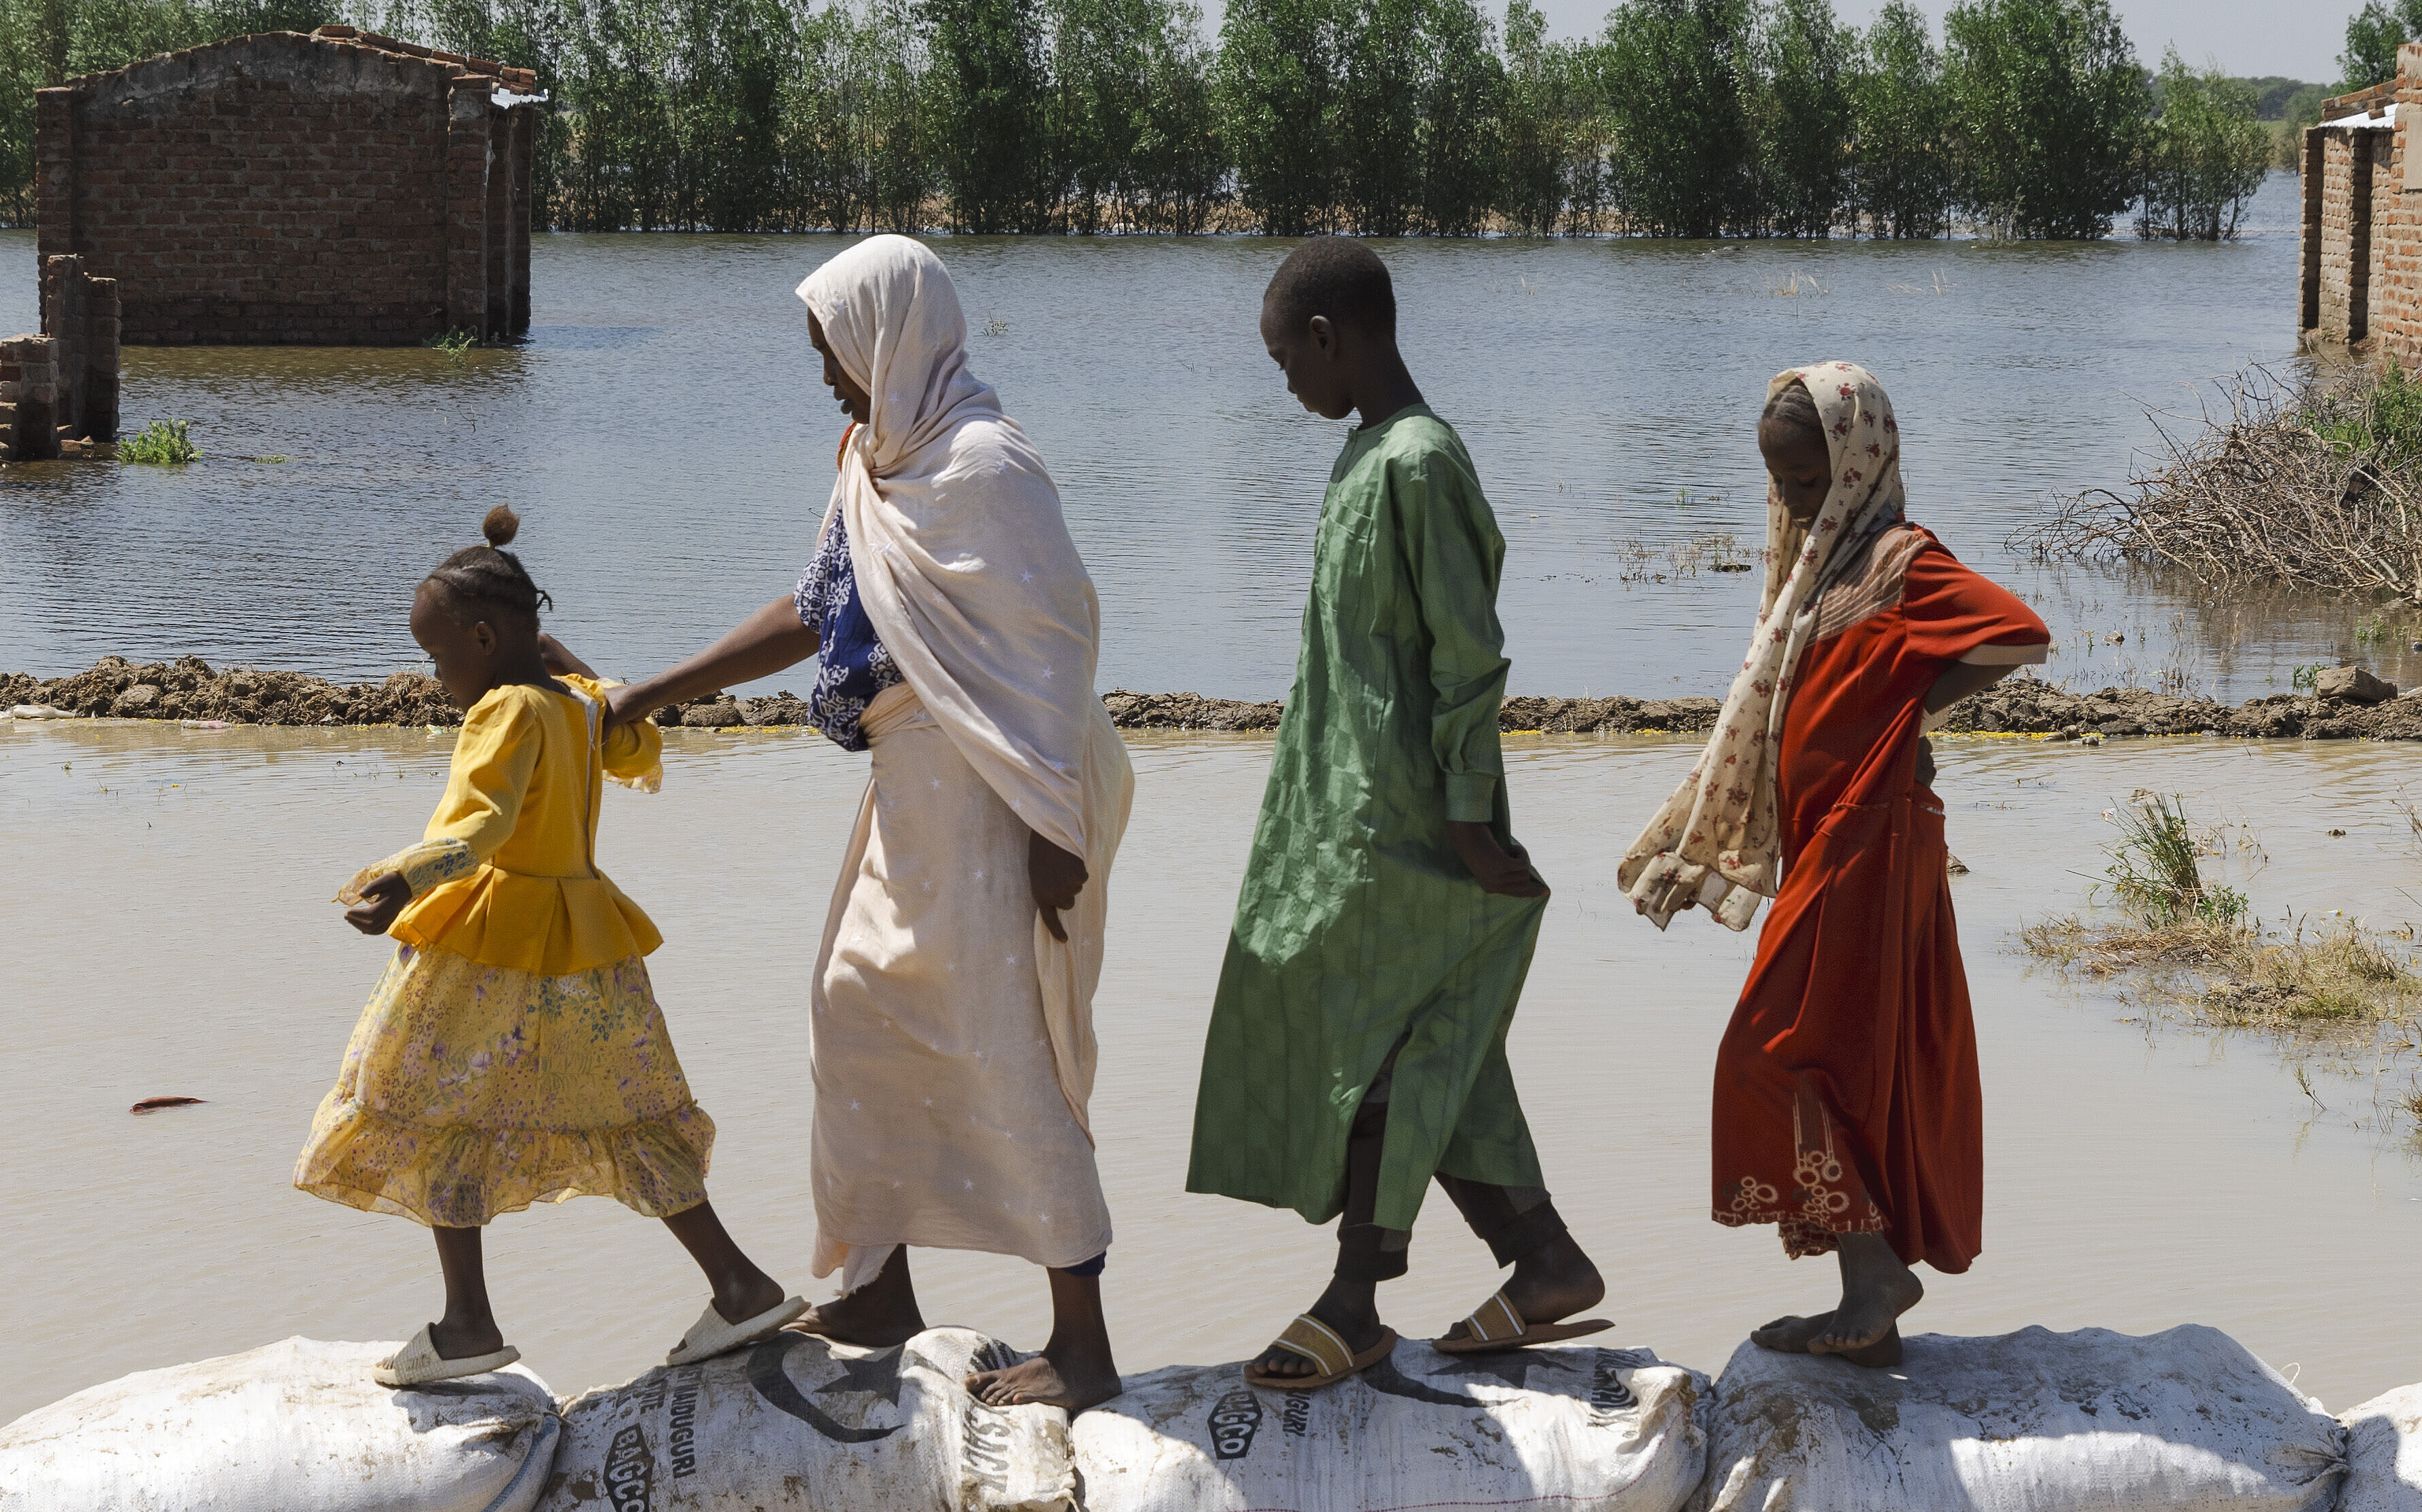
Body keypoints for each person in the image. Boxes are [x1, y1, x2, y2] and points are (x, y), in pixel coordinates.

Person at [606, 238, 1131, 1410]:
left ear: (892, 338)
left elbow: (1054, 647)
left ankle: (1084, 1342)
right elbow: (817, 607)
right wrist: (655, 691)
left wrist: (1057, 829)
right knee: (853, 1009)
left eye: (836, 354)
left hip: (999, 792)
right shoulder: (874, 461)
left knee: (1007, 1047)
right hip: (907, 784)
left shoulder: (987, 465)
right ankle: (879, 1283)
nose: (829, 379)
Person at [1185, 237, 1604, 1390]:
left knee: (1379, 1043)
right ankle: (1546, 1258)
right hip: (1345, 810)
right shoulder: (1365, 454)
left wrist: (1469, 815)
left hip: (1414, 823)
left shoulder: (1422, 464)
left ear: (1330, 338)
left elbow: (1469, 658)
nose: (1287, 388)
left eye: (1285, 363)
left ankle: (1357, 1297)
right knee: (1439, 1045)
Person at [296, 508, 800, 1384]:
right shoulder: (577, 707)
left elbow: (483, 829)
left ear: (485, 640)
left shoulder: (502, 712)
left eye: (442, 657)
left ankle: (467, 1325)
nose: (439, 677)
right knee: (635, 1119)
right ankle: (740, 1283)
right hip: (588, 957)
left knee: (430, 1107)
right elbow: (630, 738)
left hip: (487, 949)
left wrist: (406, 878)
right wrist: (571, 664)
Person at [1616, 363, 2052, 1366]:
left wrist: (1907, 710)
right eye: (1783, 484)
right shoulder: (1817, 567)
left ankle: (1875, 1274)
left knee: (1765, 1049)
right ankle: (1868, 1293)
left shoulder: (1901, 560)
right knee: (1838, 1061)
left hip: (1871, 836)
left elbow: (2019, 636)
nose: (1796, 502)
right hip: (1832, 837)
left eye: (1811, 481)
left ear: (1860, 462)